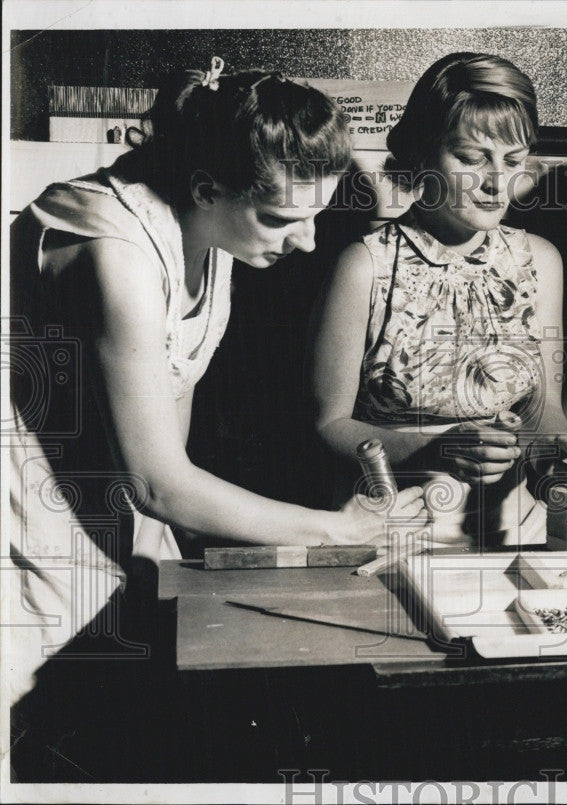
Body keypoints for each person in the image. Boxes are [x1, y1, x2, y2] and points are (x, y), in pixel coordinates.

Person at [7, 58, 427, 708]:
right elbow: (157, 482)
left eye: (315, 216)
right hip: (22, 518)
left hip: (104, 511)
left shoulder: (211, 236)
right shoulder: (116, 255)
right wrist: (335, 530)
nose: (310, 243)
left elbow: (163, 464)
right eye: (283, 219)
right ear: (206, 188)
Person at [312, 52, 567, 547]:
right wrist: (433, 450)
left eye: (512, 161)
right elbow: (328, 424)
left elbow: (543, 409)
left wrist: (563, 449)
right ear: (425, 154)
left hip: (513, 522)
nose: (495, 182)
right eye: (471, 158)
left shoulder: (541, 261)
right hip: (391, 520)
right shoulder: (365, 265)